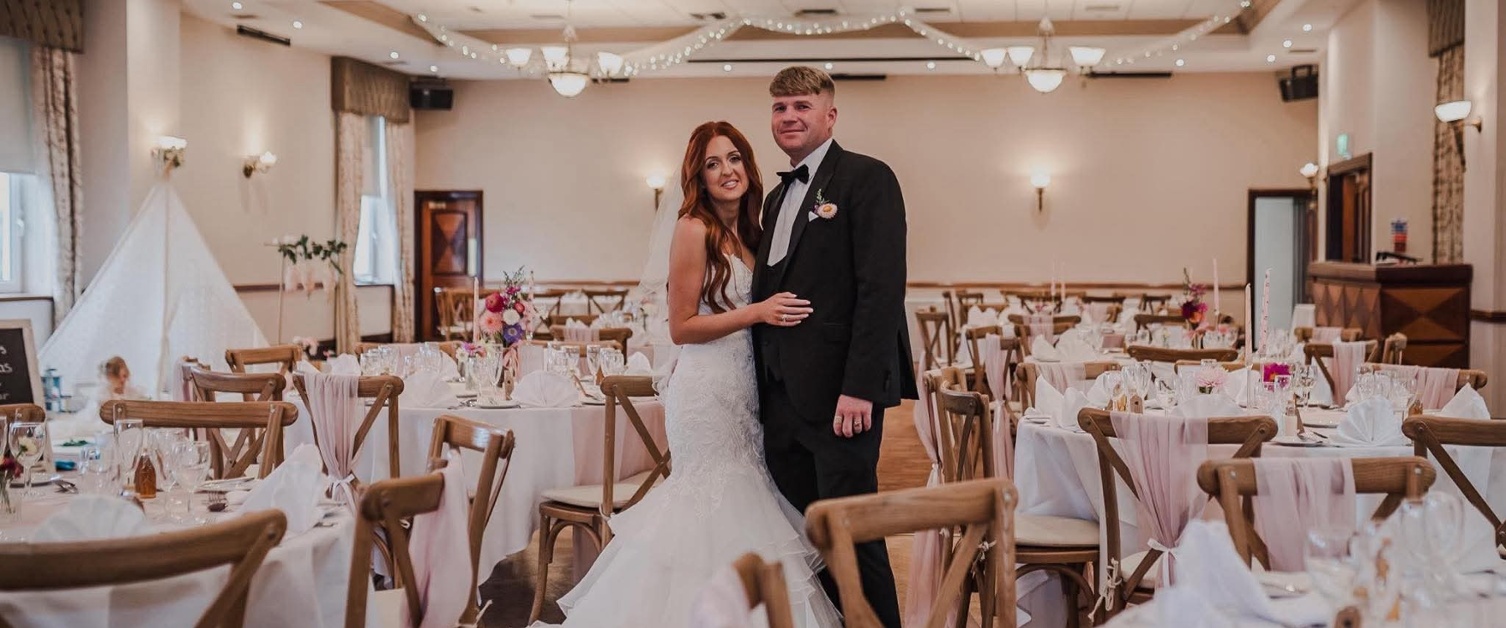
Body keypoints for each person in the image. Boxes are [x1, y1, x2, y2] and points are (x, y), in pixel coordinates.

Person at [537, 121, 840, 627]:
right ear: (698, 178)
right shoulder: (692, 229)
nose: (727, 171)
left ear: (748, 165)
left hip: (746, 390)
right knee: (714, 505)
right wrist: (756, 312)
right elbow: (681, 327)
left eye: (734, 158)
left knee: (750, 498)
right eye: (712, 164)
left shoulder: (752, 231)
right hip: (705, 393)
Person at [752, 66, 916, 628]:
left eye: (802, 106)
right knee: (810, 536)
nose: (789, 117)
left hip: (841, 400)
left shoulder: (867, 178)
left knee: (853, 534)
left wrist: (860, 388)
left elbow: (881, 290)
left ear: (830, 115)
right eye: (780, 108)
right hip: (781, 400)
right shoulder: (776, 199)